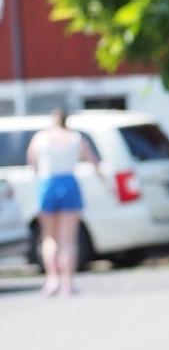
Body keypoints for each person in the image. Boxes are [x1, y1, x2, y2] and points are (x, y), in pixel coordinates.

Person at [26, 108, 98, 296]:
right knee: (68, 239)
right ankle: (67, 283)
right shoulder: (75, 137)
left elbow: (32, 162)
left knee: (50, 237)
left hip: (47, 183)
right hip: (69, 183)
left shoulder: (40, 137)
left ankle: (52, 279)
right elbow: (92, 160)